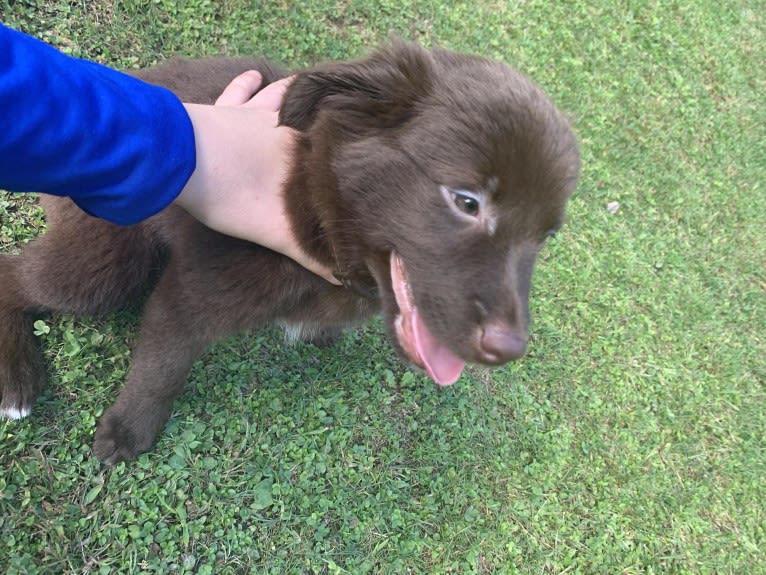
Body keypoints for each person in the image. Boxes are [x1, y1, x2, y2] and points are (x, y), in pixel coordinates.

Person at [0, 23, 338, 283]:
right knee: (98, 283)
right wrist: (179, 144)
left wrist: (176, 138)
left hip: (119, 122)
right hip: (112, 168)